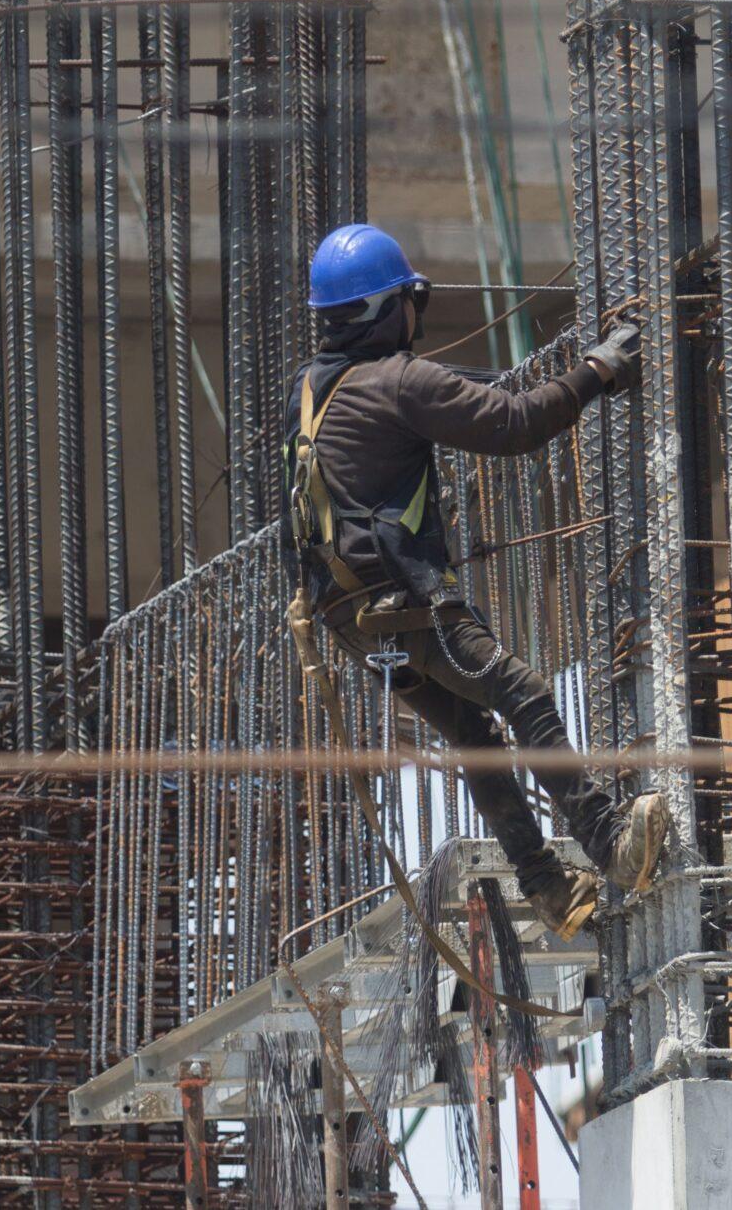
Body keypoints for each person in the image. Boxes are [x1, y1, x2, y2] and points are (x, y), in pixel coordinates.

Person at [283, 223, 669, 940]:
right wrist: (599, 368)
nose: (416, 316)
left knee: (472, 730)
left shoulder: (313, 390)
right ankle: (610, 840)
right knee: (520, 690)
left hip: (353, 621)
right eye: (410, 301)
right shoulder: (399, 381)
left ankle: (550, 887)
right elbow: (515, 423)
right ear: (390, 308)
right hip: (405, 607)